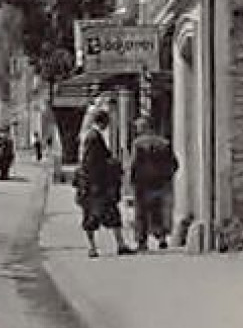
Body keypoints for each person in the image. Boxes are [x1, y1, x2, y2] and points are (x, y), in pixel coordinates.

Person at [75, 104, 135, 258]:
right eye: (107, 123)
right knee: (105, 215)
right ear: (103, 122)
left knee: (95, 216)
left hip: (92, 185)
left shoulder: (90, 136)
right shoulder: (94, 138)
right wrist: (112, 165)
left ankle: (99, 247)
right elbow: (92, 163)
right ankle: (107, 246)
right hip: (97, 185)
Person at [128, 119, 179, 251]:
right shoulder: (164, 143)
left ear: (143, 128)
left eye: (138, 128)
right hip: (160, 182)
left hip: (142, 182)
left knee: (141, 212)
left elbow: (134, 163)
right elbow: (174, 163)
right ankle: (162, 237)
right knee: (159, 210)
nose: (137, 130)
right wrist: (167, 175)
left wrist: (131, 179)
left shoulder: (137, 144)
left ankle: (142, 241)